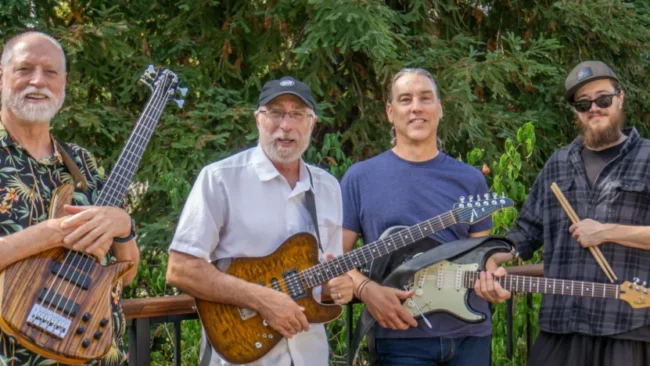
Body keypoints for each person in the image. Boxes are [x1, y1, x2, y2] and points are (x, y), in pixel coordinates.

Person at [166, 76, 354, 366]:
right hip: (241, 357)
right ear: (258, 120)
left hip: (311, 357)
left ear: (312, 124)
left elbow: (325, 277)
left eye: (297, 114)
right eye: (275, 112)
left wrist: (334, 289)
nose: (286, 125)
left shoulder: (327, 186)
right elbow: (181, 269)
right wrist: (262, 300)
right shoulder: (220, 178)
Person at [475, 61, 650, 366]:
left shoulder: (647, 157)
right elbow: (525, 233)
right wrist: (488, 258)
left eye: (603, 99)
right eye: (583, 104)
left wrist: (607, 231)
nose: (594, 108)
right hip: (561, 325)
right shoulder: (558, 163)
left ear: (620, 98)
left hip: (628, 326)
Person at [0, 31, 140, 365]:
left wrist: (124, 227)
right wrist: (51, 233)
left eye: (50, 72)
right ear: (2, 76)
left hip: (96, 354)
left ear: (63, 83)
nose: (38, 81)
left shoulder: (83, 163)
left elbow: (126, 274)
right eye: (24, 69)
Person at [340, 67, 494, 366]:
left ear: (439, 109)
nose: (416, 108)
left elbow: (482, 256)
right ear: (390, 111)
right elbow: (334, 258)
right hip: (398, 338)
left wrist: (493, 275)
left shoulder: (470, 179)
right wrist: (365, 289)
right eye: (405, 99)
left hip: (469, 334)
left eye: (425, 98)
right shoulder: (360, 178)